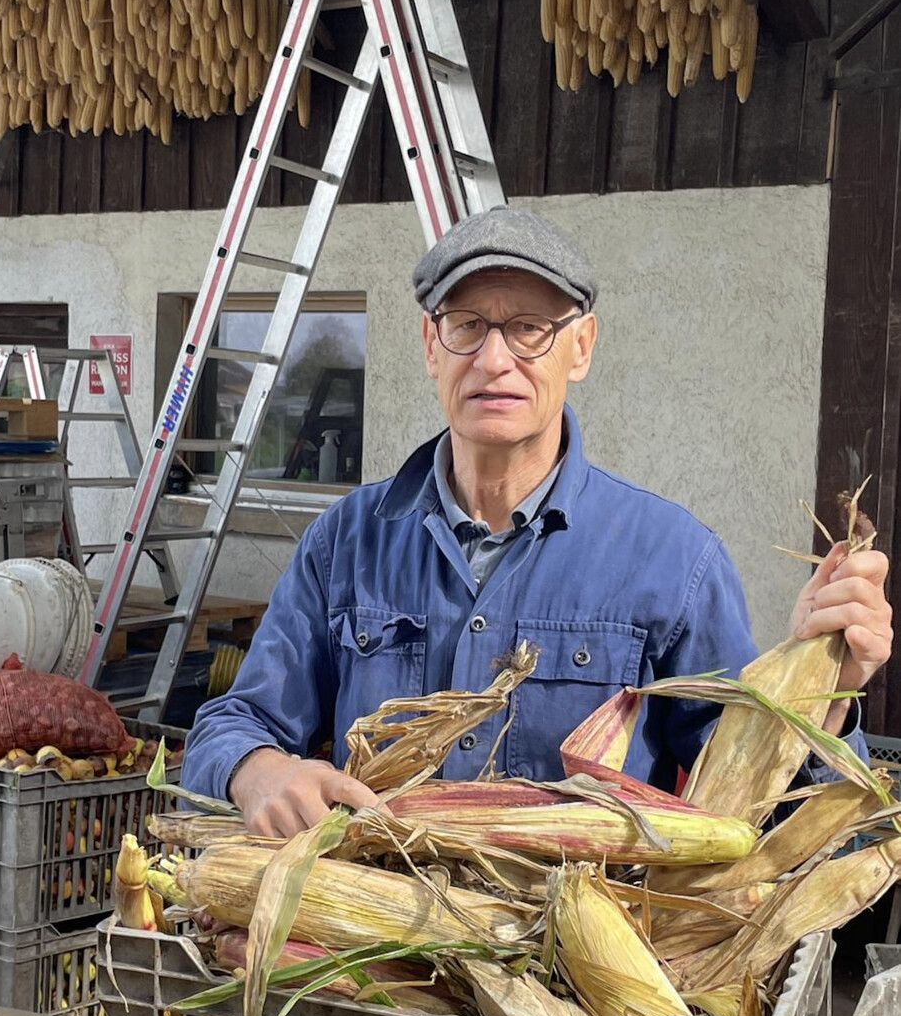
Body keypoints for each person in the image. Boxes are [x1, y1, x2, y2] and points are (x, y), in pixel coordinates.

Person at [182, 207, 893, 837]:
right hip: (366, 966)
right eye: (467, 326)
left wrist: (821, 693)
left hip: (564, 974)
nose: (495, 360)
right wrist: (257, 770)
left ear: (580, 348)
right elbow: (235, 721)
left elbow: (759, 814)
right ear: (432, 347)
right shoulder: (346, 543)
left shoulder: (674, 562)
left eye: (529, 329)